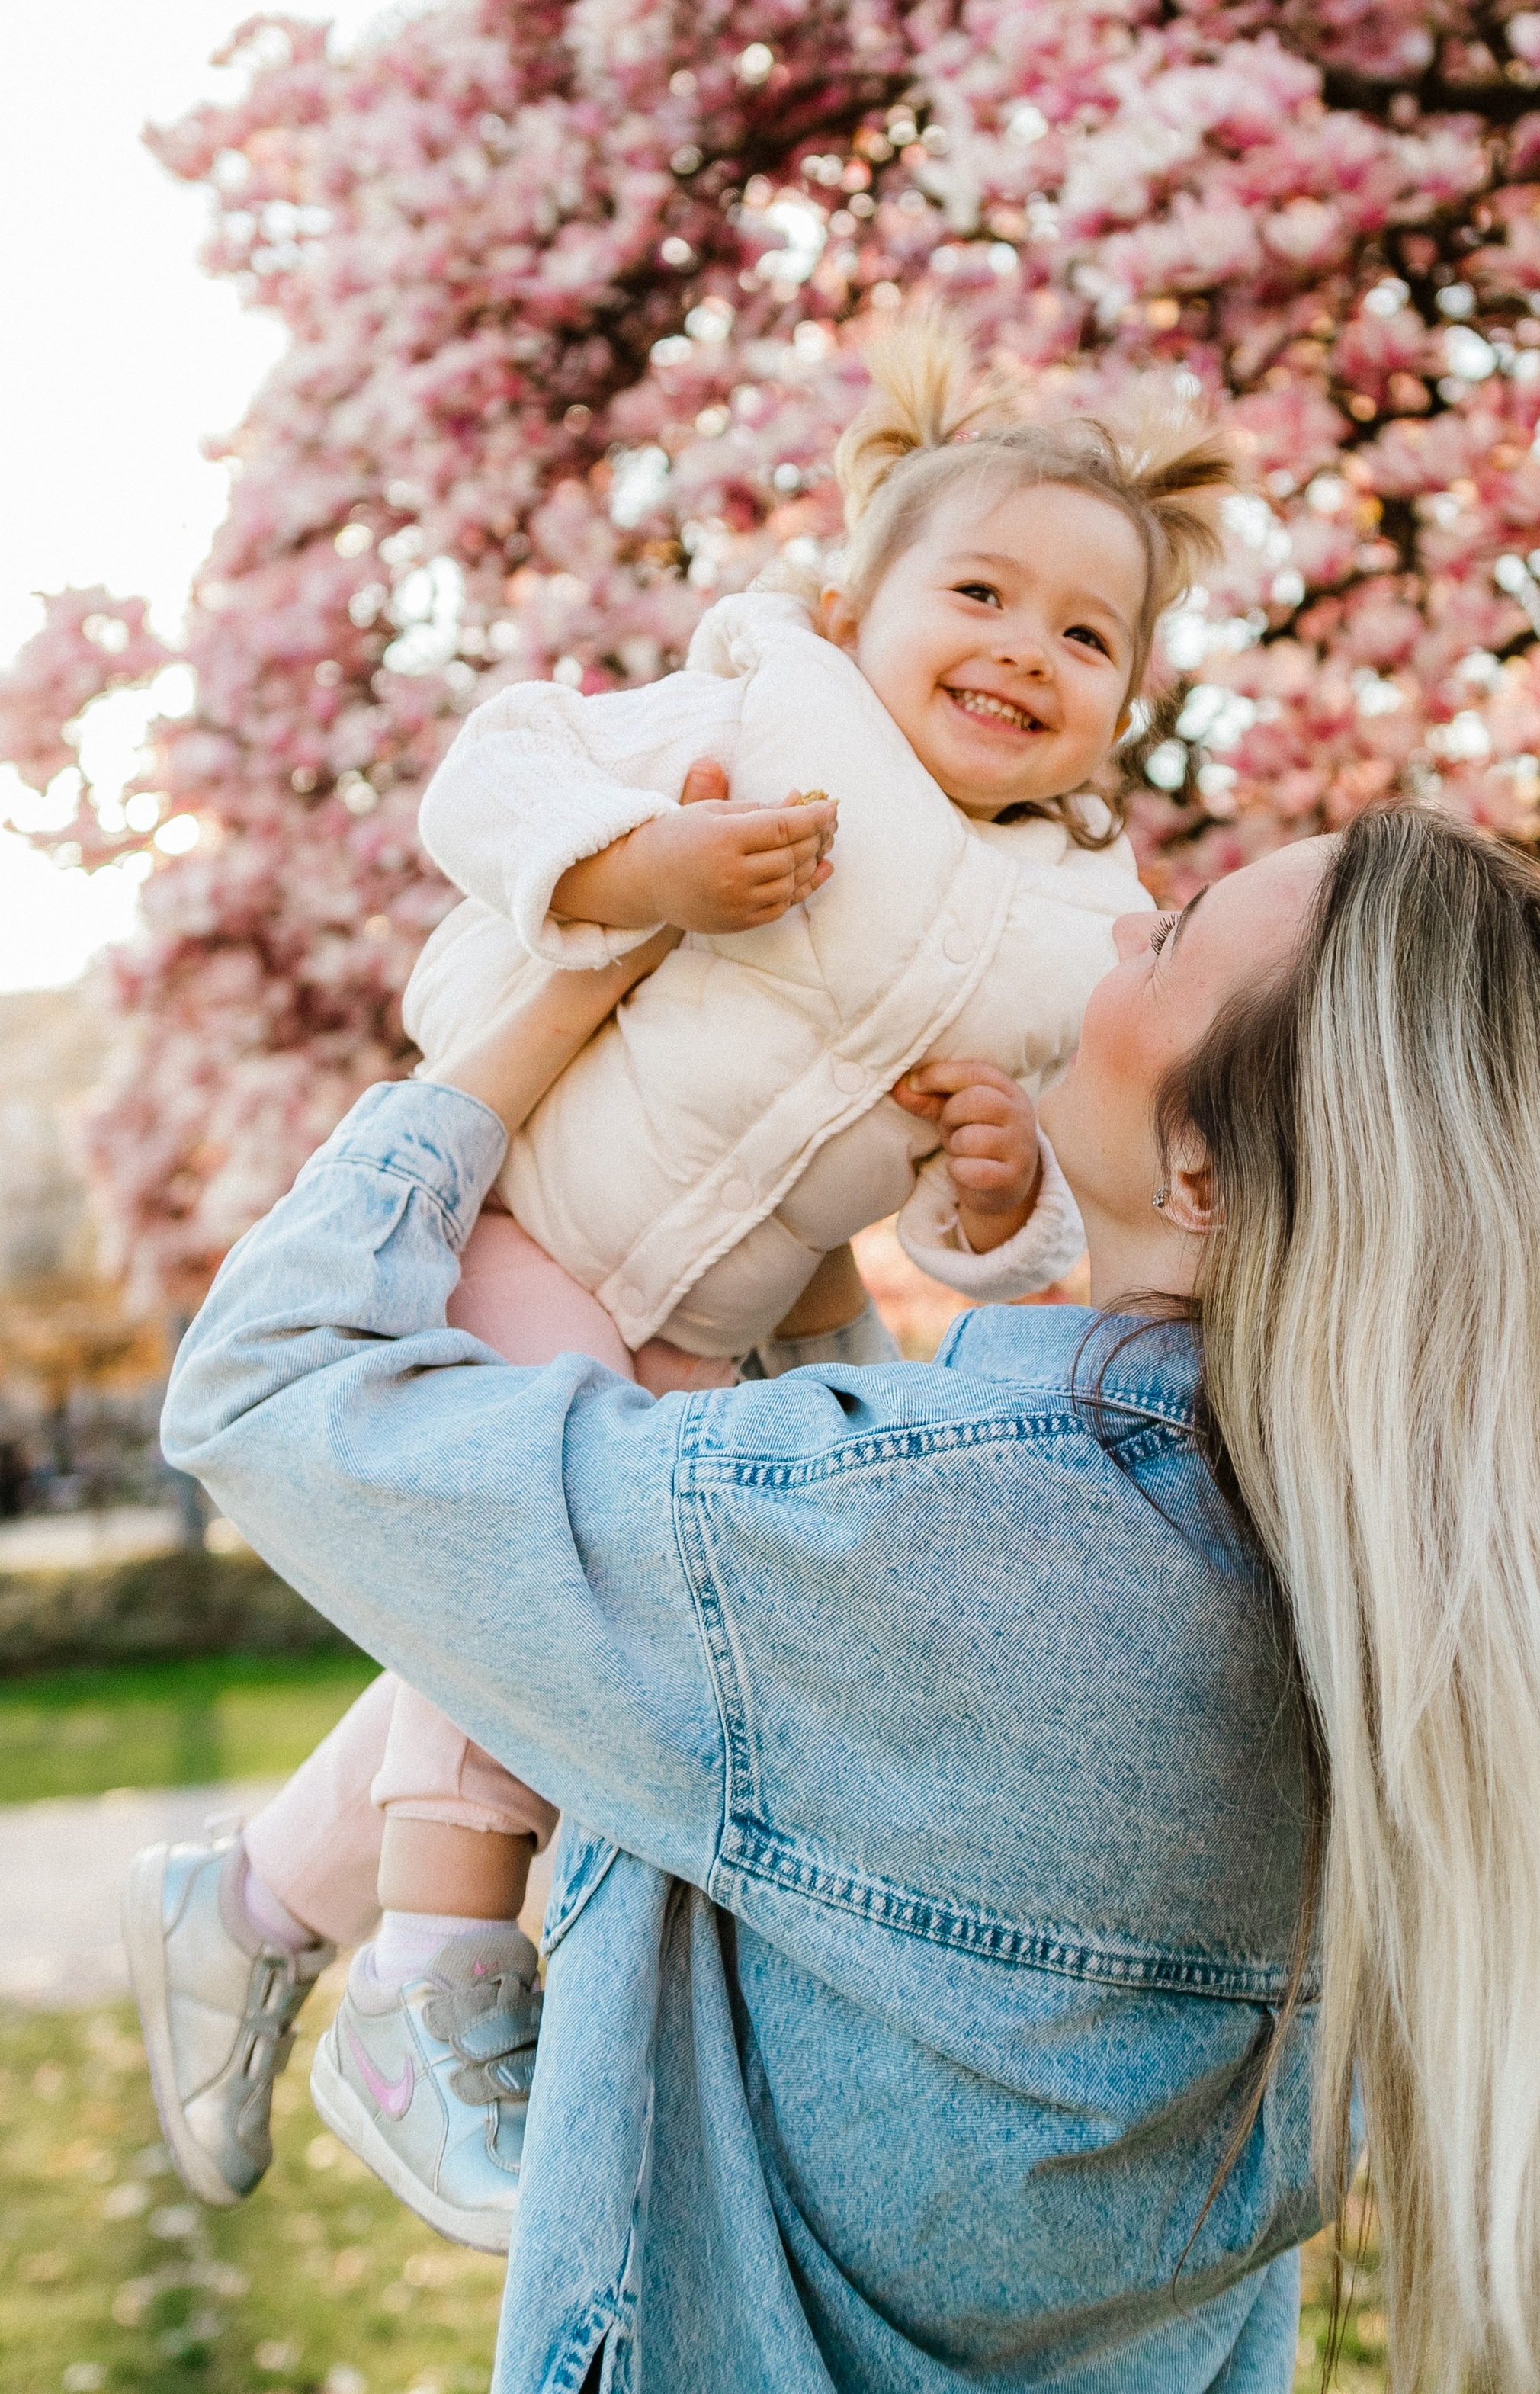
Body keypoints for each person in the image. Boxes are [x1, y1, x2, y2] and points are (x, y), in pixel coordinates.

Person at [144, 802, 1540, 2393]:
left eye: (1164, 937)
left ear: (1206, 1176)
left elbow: (270, 1384)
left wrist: (552, 1003)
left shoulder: (924, 1545)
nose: (1105, 946)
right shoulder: (1418, 1652)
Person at [123, 312, 1233, 2246]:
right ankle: (435, 1978)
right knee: (552, 1557)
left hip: (701, 1324)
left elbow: (1046, 1214)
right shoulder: (769, 721)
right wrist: (636, 865)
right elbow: (494, 773)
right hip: (526, 1219)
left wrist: (989, 1184)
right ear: (847, 600)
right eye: (976, 592)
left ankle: (251, 1909)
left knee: (555, 1597)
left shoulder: (1080, 922)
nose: (1021, 652)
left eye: (1083, 638)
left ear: (1127, 700)